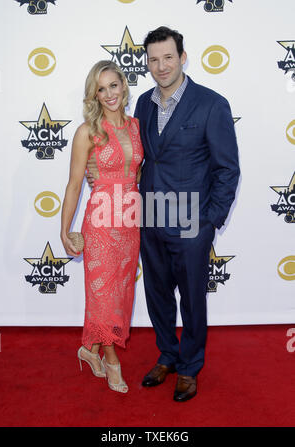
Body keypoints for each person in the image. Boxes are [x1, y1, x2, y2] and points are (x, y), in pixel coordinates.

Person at [87, 26, 240, 402]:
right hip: (149, 215)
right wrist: (100, 172)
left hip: (192, 220)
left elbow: (227, 169)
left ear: (182, 57)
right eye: (153, 59)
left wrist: (210, 220)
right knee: (157, 296)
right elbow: (137, 156)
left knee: (191, 299)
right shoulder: (142, 103)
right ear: (148, 63)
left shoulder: (211, 104)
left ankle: (189, 367)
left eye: (168, 57)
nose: (161, 66)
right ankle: (168, 356)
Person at [61, 60, 143, 394]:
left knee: (120, 294)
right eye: (101, 88)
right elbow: (74, 185)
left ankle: (89, 349)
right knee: (103, 296)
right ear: (94, 94)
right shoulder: (87, 132)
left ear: (124, 86)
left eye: (114, 85)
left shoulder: (137, 126)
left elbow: (136, 172)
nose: (109, 94)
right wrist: (64, 230)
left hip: (130, 222)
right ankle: (111, 361)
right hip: (100, 223)